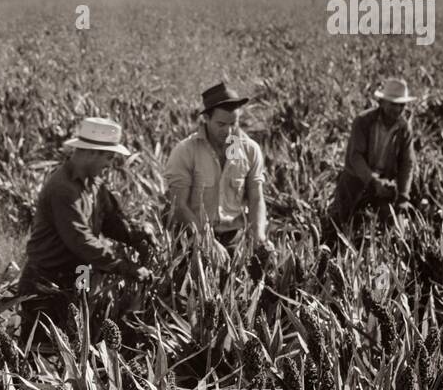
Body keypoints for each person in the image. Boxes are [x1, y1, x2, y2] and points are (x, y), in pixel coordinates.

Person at [16, 117, 152, 349]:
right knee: (40, 348)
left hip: (79, 274)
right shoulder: (63, 189)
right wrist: (125, 267)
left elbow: (112, 221)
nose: (110, 164)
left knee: (76, 341)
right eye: (109, 157)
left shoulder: (94, 183)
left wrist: (137, 235)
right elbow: (80, 240)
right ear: (92, 153)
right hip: (46, 279)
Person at [164, 81, 268, 264]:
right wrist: (207, 240)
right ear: (206, 119)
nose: (228, 131)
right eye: (221, 124)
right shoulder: (186, 151)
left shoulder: (250, 150)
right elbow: (179, 206)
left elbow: (256, 198)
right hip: (192, 236)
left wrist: (258, 235)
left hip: (234, 237)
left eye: (233, 123)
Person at [325, 78, 416, 238]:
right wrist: (373, 181)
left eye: (401, 105)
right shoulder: (363, 121)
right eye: (393, 104)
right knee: (339, 227)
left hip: (384, 183)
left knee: (395, 230)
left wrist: (403, 196)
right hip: (355, 180)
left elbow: (407, 164)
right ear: (381, 102)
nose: (398, 109)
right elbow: (355, 157)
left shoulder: (404, 129)